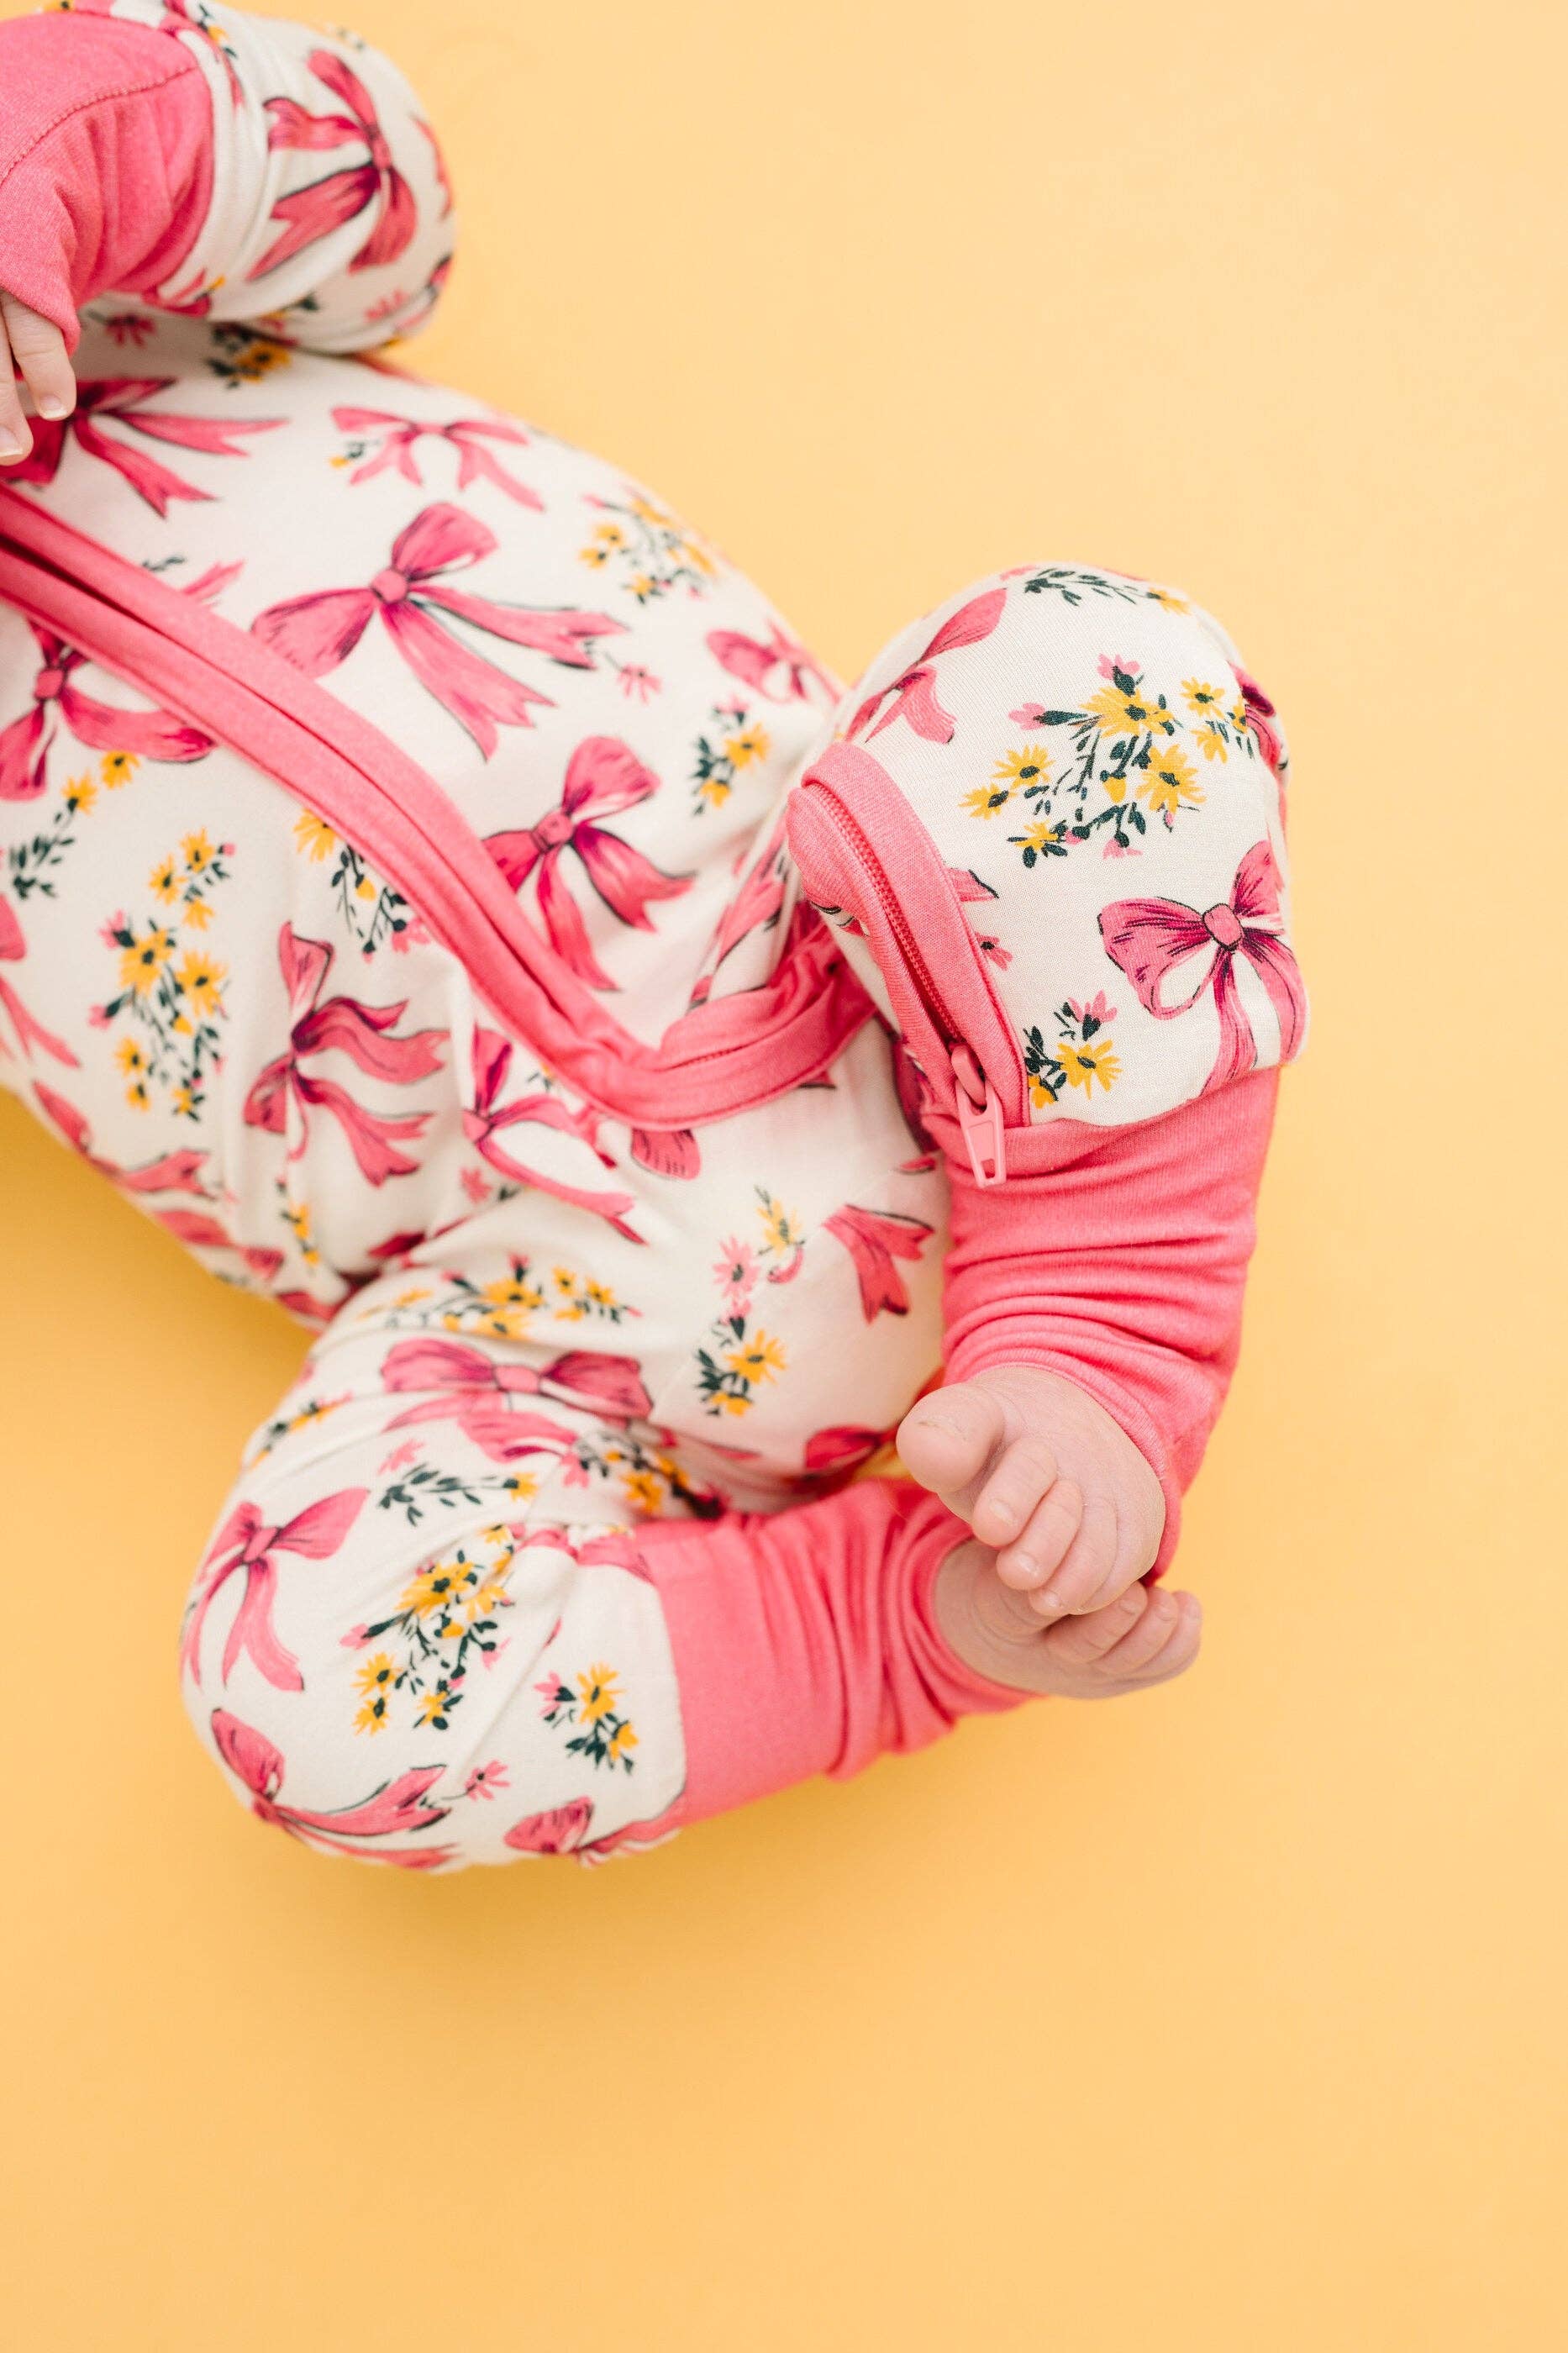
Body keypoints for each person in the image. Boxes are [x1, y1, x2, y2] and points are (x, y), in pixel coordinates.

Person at [0, 0, 1303, 1866]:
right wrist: (884, 1638)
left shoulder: (119, 255)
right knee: (311, 1712)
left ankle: (1104, 1327)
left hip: (847, 922)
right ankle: (891, 1626)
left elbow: (389, 192)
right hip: (534, 1291)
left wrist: (51, 148)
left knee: (1097, 668)